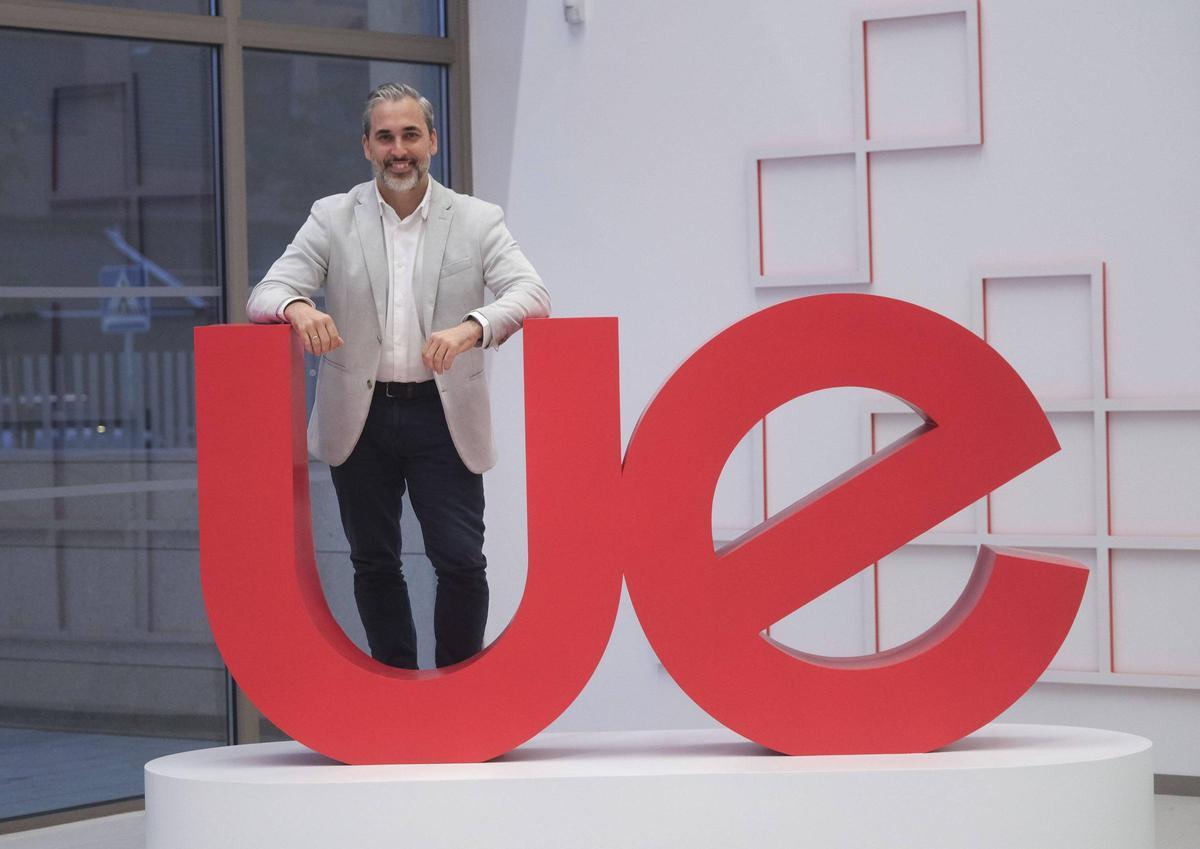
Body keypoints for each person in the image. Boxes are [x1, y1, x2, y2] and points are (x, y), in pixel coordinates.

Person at [247, 82, 549, 670]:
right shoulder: (332, 217)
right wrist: (299, 309)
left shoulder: (476, 219)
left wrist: (472, 328)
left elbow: (532, 294)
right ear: (367, 146)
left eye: (410, 134)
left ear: (432, 141)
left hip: (444, 416)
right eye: (385, 136)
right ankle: (398, 693)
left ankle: (458, 696)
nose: (399, 148)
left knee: (461, 560)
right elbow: (267, 291)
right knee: (373, 561)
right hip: (360, 416)